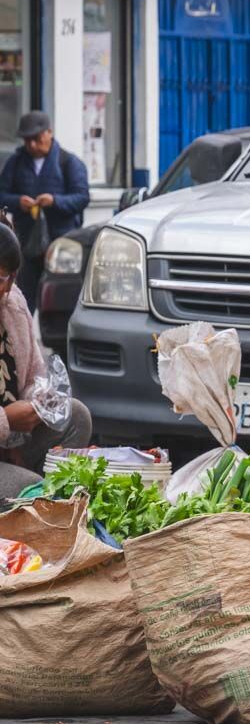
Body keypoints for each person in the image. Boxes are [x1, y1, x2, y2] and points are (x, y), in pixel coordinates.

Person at [0, 223, 92, 497]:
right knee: (28, 486)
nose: (5, 289)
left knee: (76, 416)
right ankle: (33, 497)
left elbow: (33, 374)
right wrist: (6, 419)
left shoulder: (12, 305)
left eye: (9, 278)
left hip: (12, 445)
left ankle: (40, 499)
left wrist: (38, 401)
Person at [0, 112, 90, 311]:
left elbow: (82, 197)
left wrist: (55, 201)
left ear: (49, 133)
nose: (31, 145)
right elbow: (2, 194)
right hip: (26, 244)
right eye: (27, 140)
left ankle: (58, 340)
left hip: (61, 244)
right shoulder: (16, 162)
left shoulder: (69, 162)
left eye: (36, 138)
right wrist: (17, 202)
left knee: (61, 299)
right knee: (22, 297)